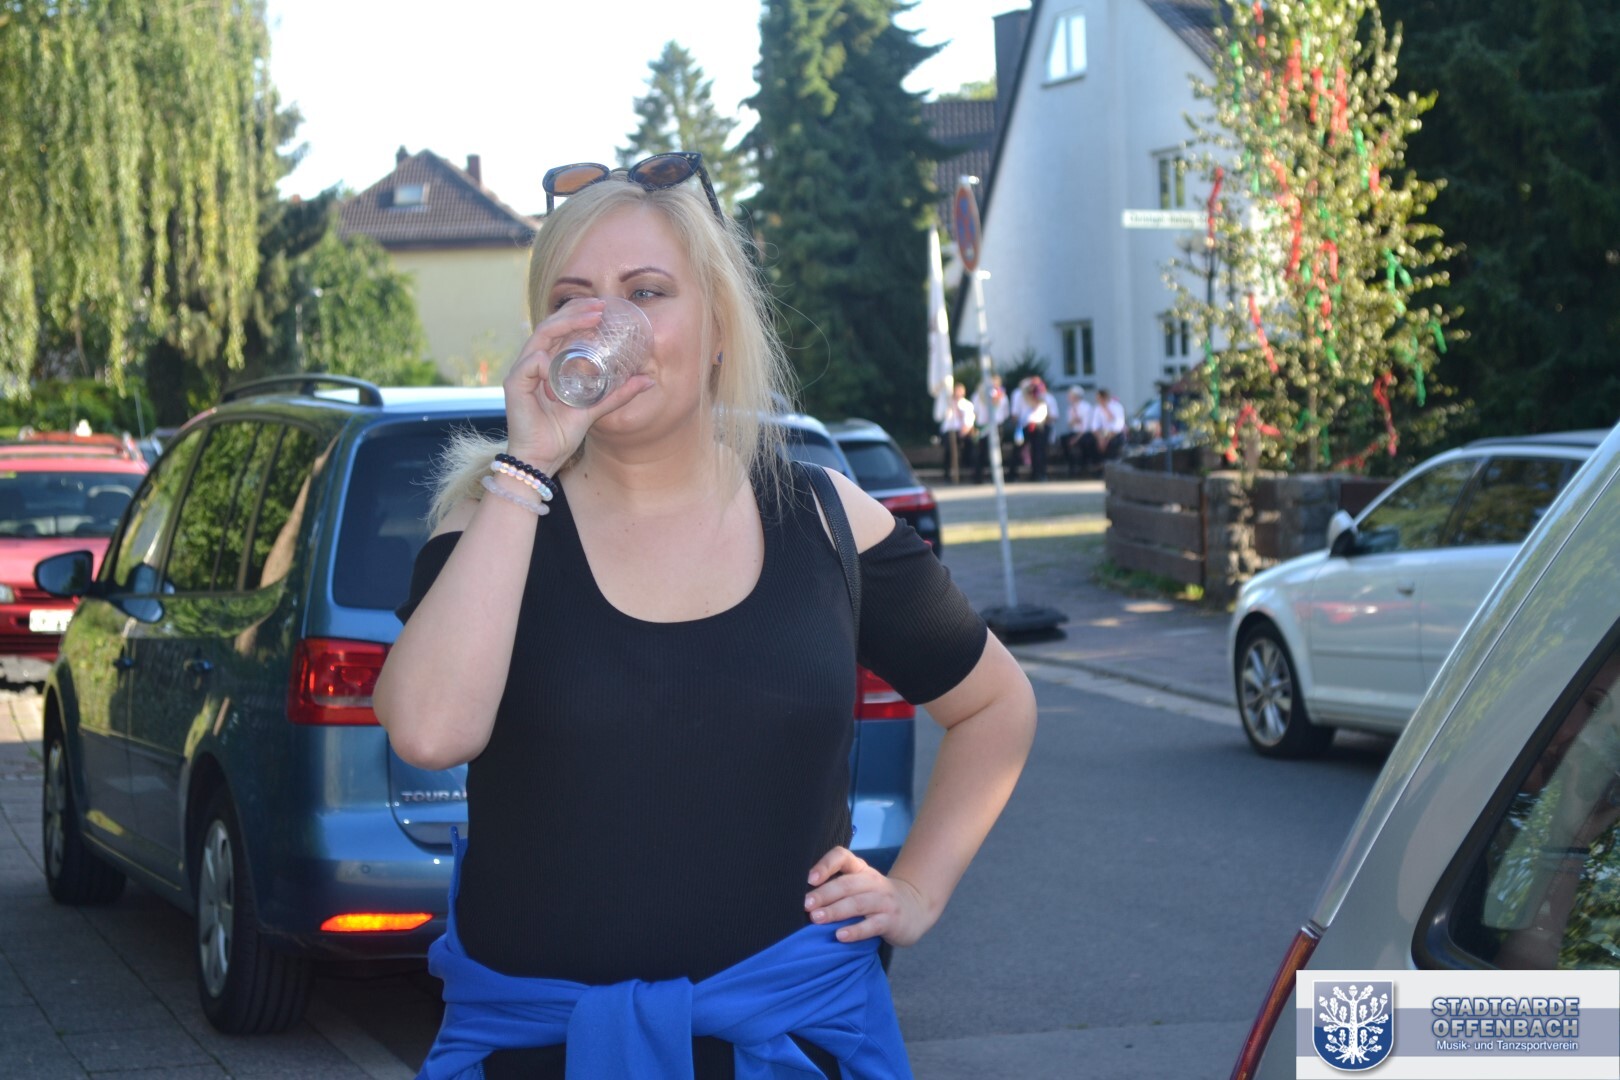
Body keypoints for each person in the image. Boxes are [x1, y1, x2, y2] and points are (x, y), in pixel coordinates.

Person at [372, 152, 1037, 1080]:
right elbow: (429, 733)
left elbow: (997, 705)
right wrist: (525, 469)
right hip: (540, 1054)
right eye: (572, 299)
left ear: (719, 326)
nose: (608, 327)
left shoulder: (823, 518)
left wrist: (918, 890)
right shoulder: (499, 522)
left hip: (789, 1047)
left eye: (647, 293)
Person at [1079, 387, 1127, 474]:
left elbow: (1118, 426)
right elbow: (1094, 426)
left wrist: (1107, 438)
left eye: (1099, 398)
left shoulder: (1117, 407)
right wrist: (1100, 438)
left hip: (1114, 434)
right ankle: (1096, 465)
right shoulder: (1098, 408)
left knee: (1114, 443)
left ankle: (1110, 467)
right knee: (1087, 440)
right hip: (1102, 433)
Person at [970, 374, 1007, 484]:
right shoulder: (978, 395)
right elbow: (975, 412)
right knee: (982, 453)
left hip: (996, 426)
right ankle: (979, 477)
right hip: (983, 427)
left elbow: (1005, 412)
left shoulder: (1001, 396)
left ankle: (995, 477)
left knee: (995, 452)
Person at [939, 382, 975, 484]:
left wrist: (964, 431)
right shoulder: (948, 404)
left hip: (962, 432)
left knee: (966, 449)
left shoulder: (967, 404)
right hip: (949, 431)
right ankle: (947, 475)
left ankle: (964, 472)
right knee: (948, 451)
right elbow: (945, 419)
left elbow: (969, 421)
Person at [1060, 386, 1092, 478]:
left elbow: (1086, 426)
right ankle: (1071, 465)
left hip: (1084, 433)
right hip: (1075, 432)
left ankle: (1084, 466)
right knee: (1064, 440)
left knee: (1085, 442)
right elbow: (1070, 424)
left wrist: (1076, 438)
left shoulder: (1086, 407)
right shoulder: (1071, 408)